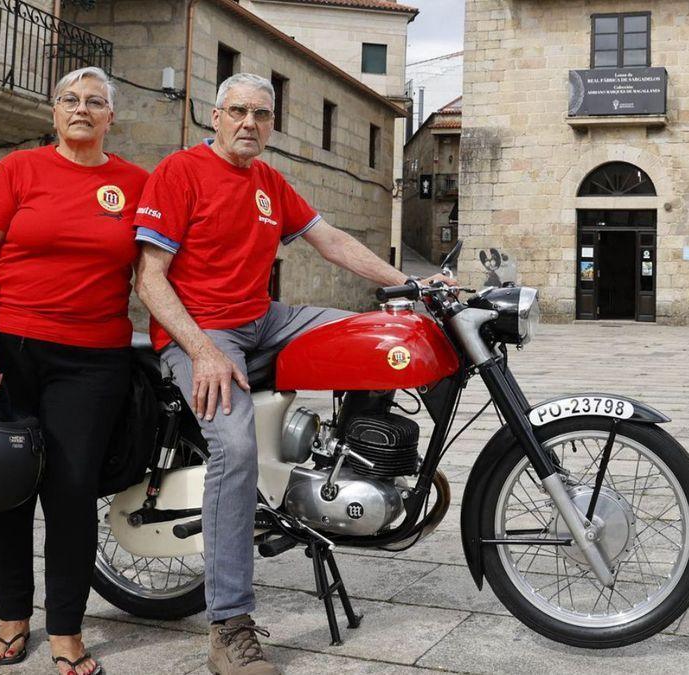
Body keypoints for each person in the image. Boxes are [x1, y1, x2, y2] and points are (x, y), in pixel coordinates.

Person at [133, 72, 451, 675]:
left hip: (262, 318)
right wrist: (202, 351)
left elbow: (329, 240)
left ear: (272, 124)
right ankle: (229, 625)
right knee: (233, 446)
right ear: (215, 115)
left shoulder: (269, 182)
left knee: (375, 339)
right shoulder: (180, 172)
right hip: (197, 332)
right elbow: (149, 279)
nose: (249, 122)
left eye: (261, 114)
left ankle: (353, 463)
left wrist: (412, 285)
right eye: (238, 112)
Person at [0, 66, 148, 675]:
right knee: (5, 489)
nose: (82, 110)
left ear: (112, 117)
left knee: (70, 494)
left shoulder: (136, 183)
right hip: (8, 352)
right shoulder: (19, 169)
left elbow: (159, 271)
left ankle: (66, 629)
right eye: (70, 100)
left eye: (95, 102)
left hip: (92, 359)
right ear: (53, 111)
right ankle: (12, 617)